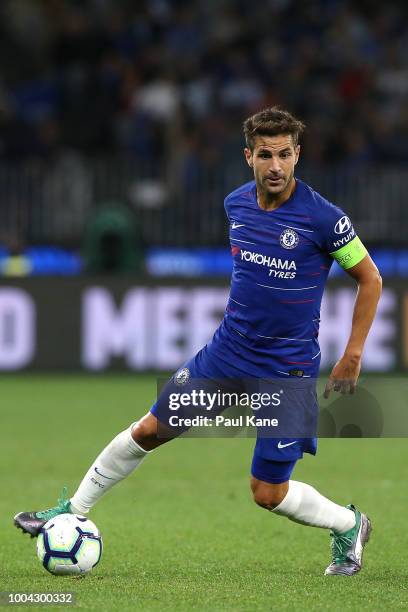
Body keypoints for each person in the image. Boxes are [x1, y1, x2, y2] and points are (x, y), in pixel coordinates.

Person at [14, 107, 382, 576]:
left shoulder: (325, 219)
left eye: (285, 155)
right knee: (149, 429)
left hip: (285, 368)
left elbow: (370, 279)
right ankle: (71, 512)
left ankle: (349, 525)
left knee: (267, 493)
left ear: (298, 156)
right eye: (265, 155)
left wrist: (352, 353)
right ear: (249, 156)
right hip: (228, 353)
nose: (275, 166)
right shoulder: (236, 205)